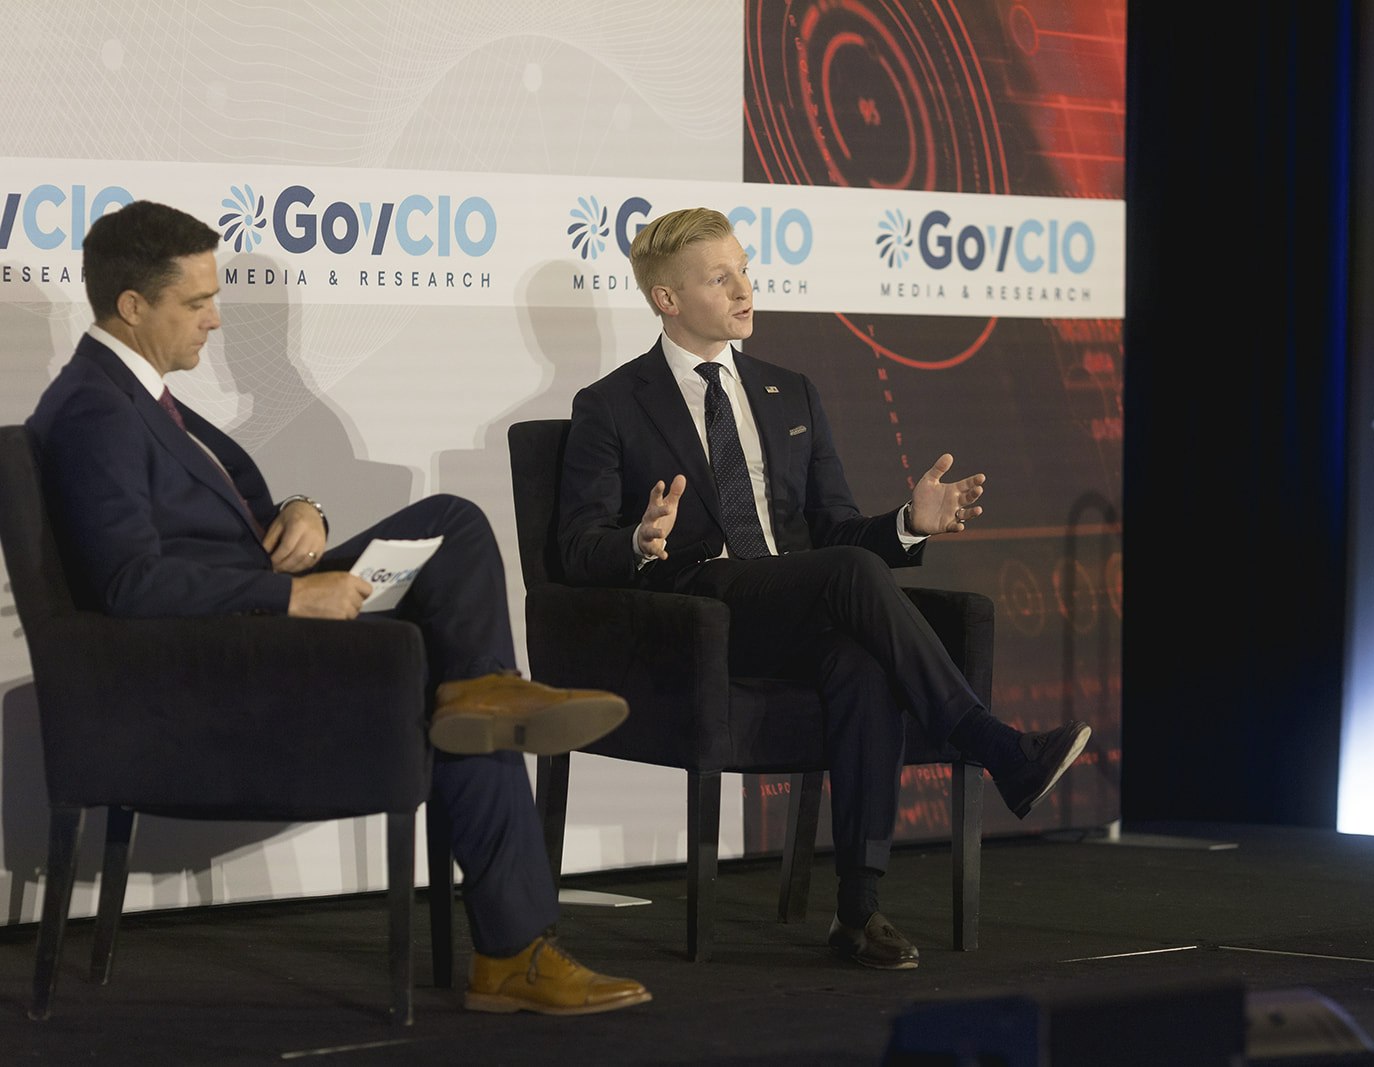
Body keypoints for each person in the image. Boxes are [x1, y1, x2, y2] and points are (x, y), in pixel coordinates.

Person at [26, 200, 649, 1016]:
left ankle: (486, 695)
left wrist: (301, 510)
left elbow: (223, 514)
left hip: (257, 619)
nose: (216, 320)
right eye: (197, 302)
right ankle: (512, 949)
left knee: (453, 532)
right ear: (133, 305)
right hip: (227, 658)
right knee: (455, 689)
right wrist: (291, 593)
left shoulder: (138, 394)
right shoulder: (94, 409)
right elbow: (130, 583)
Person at [558, 207, 1092, 970]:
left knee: (861, 660)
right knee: (846, 579)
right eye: (720, 278)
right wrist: (638, 541)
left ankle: (858, 908)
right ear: (666, 299)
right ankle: (991, 742)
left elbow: (836, 530)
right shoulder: (611, 404)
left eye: (744, 269)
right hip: (697, 615)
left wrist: (907, 523)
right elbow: (576, 546)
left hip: (793, 603)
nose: (745, 288)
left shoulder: (791, 392)